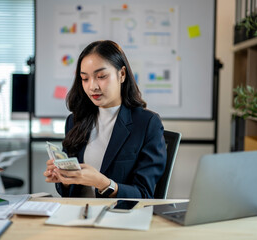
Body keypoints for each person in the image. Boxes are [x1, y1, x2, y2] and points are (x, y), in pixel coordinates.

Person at [43, 40, 166, 198]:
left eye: (101, 76)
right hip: (78, 216)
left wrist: (103, 183)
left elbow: (144, 195)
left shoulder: (147, 123)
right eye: (85, 79)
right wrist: (65, 178)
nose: (92, 86)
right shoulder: (74, 121)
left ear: (121, 74)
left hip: (119, 217)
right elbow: (68, 192)